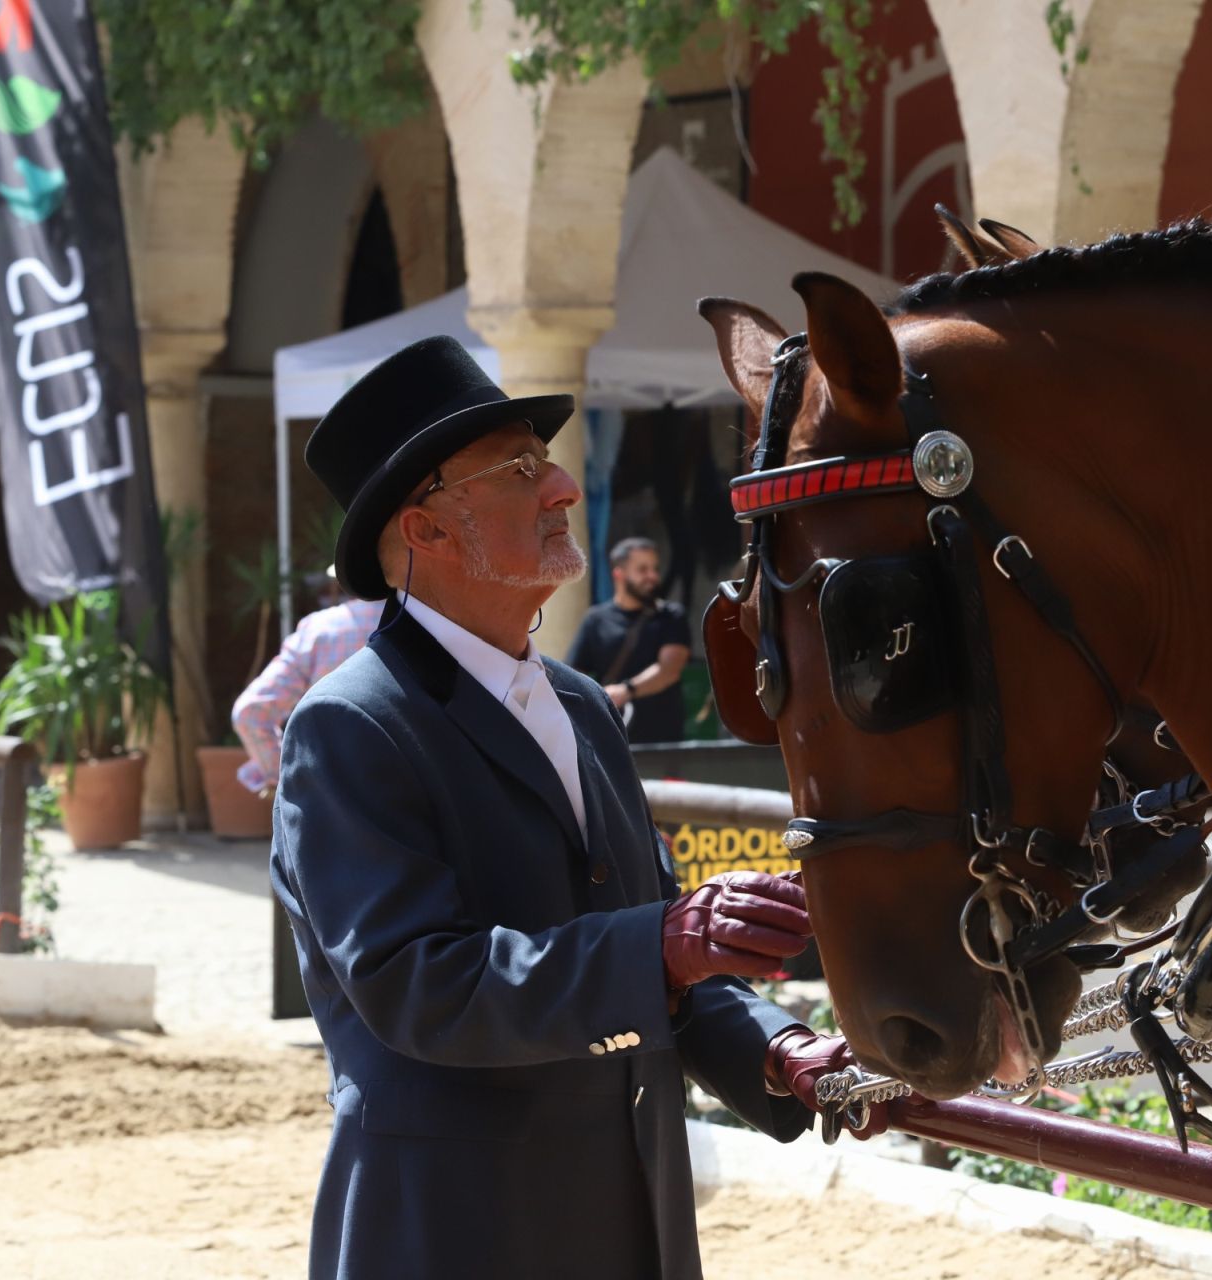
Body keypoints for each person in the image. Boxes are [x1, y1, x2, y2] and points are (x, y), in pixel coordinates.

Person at [270, 336, 884, 1280]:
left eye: (545, 459)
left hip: (629, 1216)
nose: (561, 487)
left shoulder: (583, 703)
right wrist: (666, 942)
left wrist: (778, 1047)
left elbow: (656, 951)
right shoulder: (350, 726)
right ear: (426, 529)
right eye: (521, 468)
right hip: (456, 1231)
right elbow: (416, 984)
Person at [229, 568, 383, 798]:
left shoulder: (318, 630)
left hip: (329, 798)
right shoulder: (429, 631)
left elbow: (250, 712)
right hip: (417, 802)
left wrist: (289, 778)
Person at [566, 537, 691, 743]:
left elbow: (669, 669)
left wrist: (626, 690)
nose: (652, 576)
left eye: (655, 568)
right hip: (611, 740)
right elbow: (574, 674)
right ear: (619, 574)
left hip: (665, 743)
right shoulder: (596, 620)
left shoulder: (671, 615)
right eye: (642, 569)